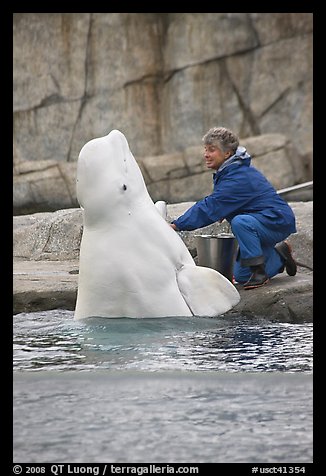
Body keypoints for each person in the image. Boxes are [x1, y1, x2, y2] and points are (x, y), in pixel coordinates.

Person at [170, 126, 297, 290]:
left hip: (276, 221)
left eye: (212, 150)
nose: (206, 154)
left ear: (227, 153)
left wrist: (177, 224)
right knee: (242, 275)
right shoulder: (230, 170)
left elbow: (210, 206)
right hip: (261, 221)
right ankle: (281, 256)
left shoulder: (238, 176)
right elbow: (231, 201)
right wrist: (228, 209)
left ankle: (259, 272)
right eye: (205, 149)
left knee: (240, 222)